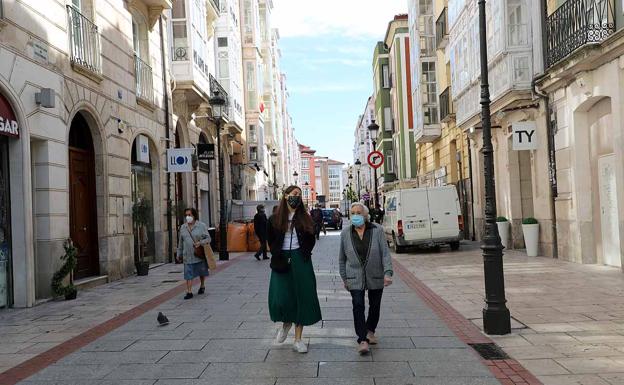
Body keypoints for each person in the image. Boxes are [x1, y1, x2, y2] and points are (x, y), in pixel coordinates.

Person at [268, 185, 322, 353]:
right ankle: (286, 324)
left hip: (301, 259)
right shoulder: (274, 218)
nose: (296, 197)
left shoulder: (305, 217)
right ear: (285, 196)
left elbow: (311, 238)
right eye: (294, 194)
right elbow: (270, 239)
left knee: (302, 297)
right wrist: (277, 254)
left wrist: (304, 252)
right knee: (281, 298)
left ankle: (298, 339)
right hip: (281, 259)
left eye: (299, 194)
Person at [339, 202, 393, 355]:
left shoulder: (377, 230)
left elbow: (385, 253)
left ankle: (370, 330)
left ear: (365, 215)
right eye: (353, 213)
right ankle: (362, 339)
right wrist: (344, 277)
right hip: (354, 276)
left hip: (375, 274)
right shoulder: (345, 233)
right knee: (358, 305)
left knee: (375, 306)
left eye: (359, 213)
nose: (355, 215)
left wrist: (388, 273)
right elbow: (341, 258)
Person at [176, 208, 211, 300]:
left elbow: (208, 239)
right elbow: (180, 242)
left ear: (194, 216)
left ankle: (202, 285)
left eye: (190, 215)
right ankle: (189, 291)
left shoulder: (201, 226)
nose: (188, 217)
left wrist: (200, 243)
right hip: (187, 255)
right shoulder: (183, 227)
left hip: (198, 254)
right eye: (186, 215)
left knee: (201, 271)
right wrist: (178, 253)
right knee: (188, 273)